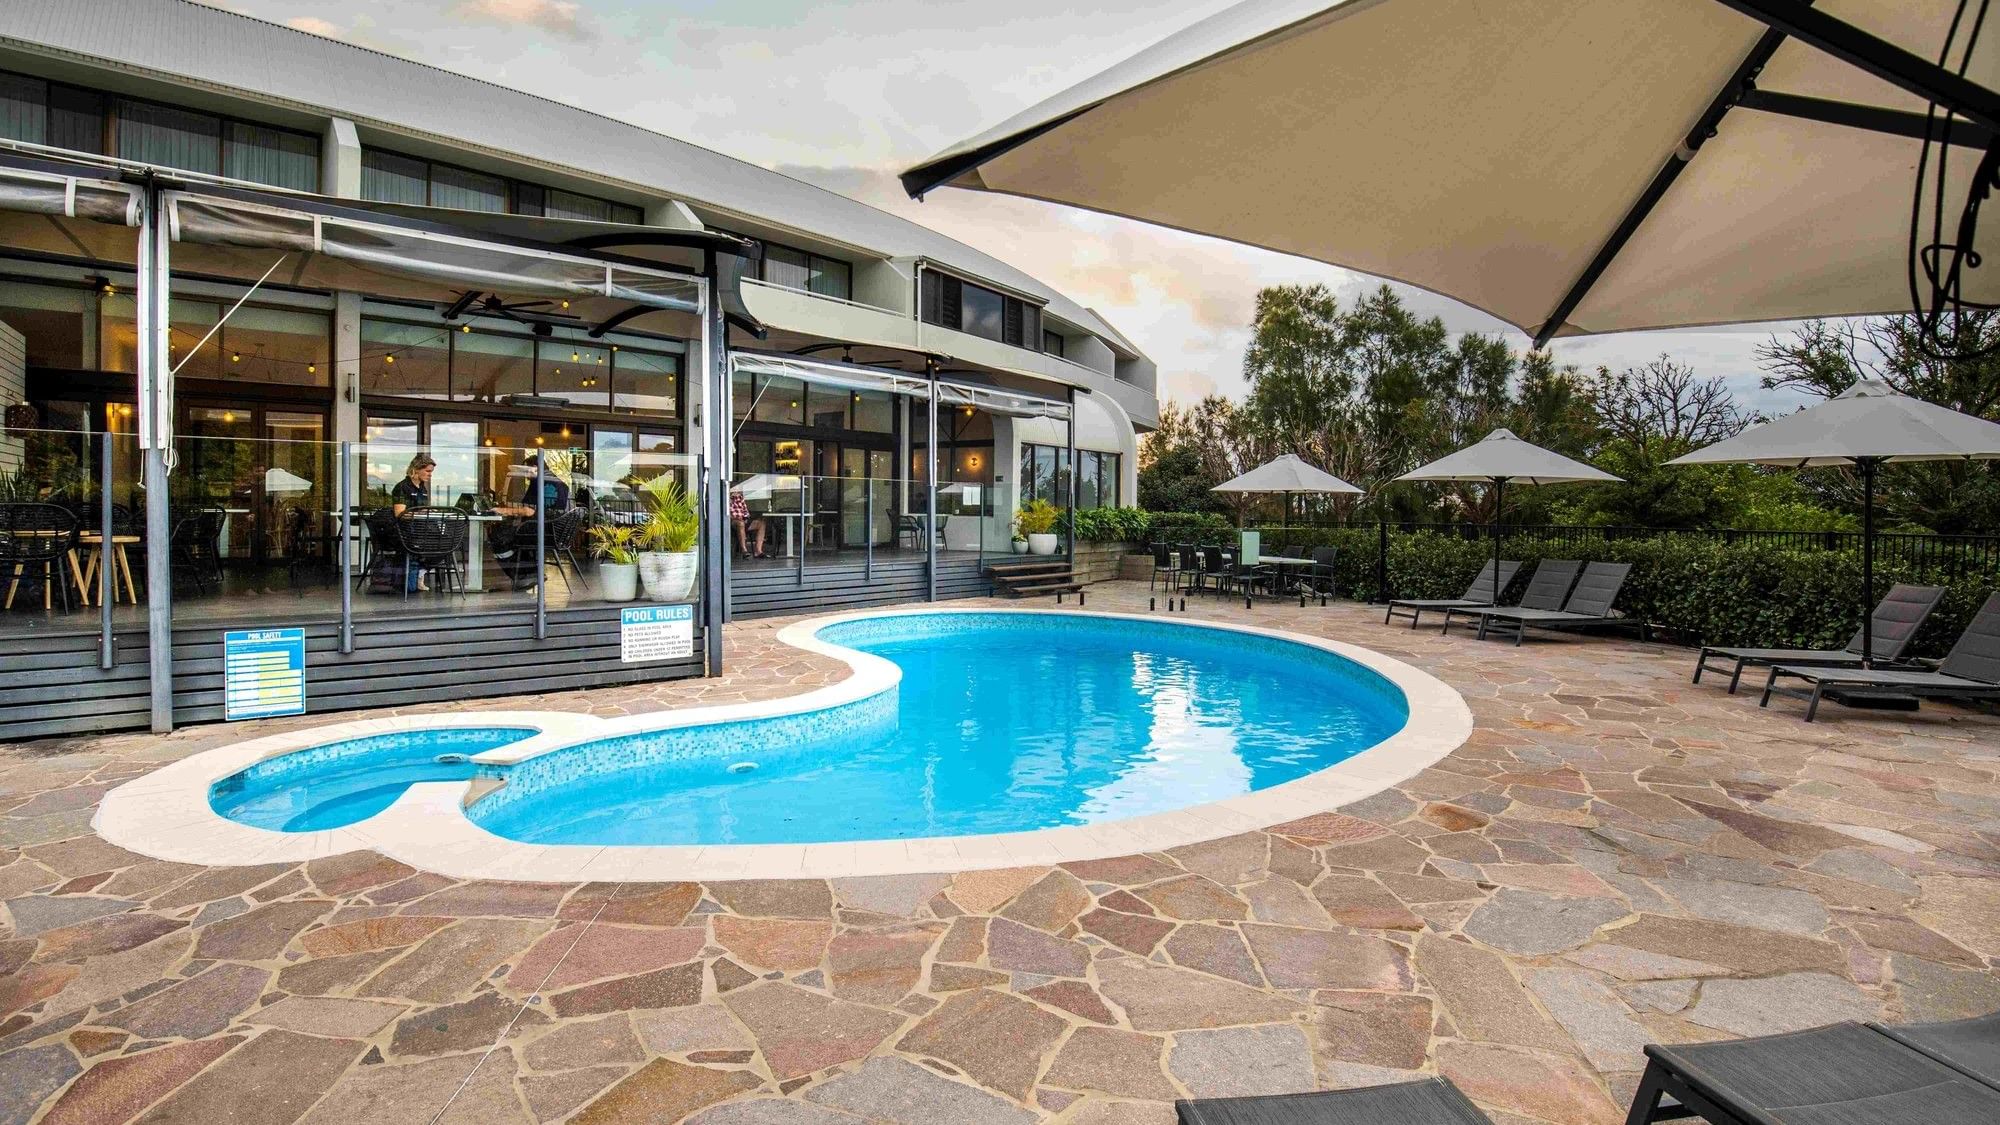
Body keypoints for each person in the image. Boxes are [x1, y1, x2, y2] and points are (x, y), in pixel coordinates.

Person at [492, 453, 572, 590]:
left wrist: (504, 511)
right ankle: (531, 573)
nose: (524, 475)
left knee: (499, 537)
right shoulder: (560, 483)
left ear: (534, 468)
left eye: (524, 470)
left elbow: (529, 511)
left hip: (540, 531)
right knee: (516, 536)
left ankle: (525, 575)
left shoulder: (538, 482)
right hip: (557, 533)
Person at [388, 452, 436, 592]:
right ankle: (418, 572)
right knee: (434, 542)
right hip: (407, 531)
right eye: (427, 471)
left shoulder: (422, 488)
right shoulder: (402, 487)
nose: (430, 474)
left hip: (422, 528)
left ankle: (421, 570)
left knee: (446, 542)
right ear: (416, 469)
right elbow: (400, 514)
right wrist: (421, 513)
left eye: (431, 471)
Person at [731, 487, 768, 558]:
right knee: (740, 524)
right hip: (732, 521)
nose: (737, 492)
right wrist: (736, 518)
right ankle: (744, 550)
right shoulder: (726, 498)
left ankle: (758, 551)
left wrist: (746, 517)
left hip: (743, 520)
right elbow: (726, 513)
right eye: (735, 490)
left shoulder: (740, 497)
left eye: (738, 490)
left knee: (761, 524)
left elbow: (745, 511)